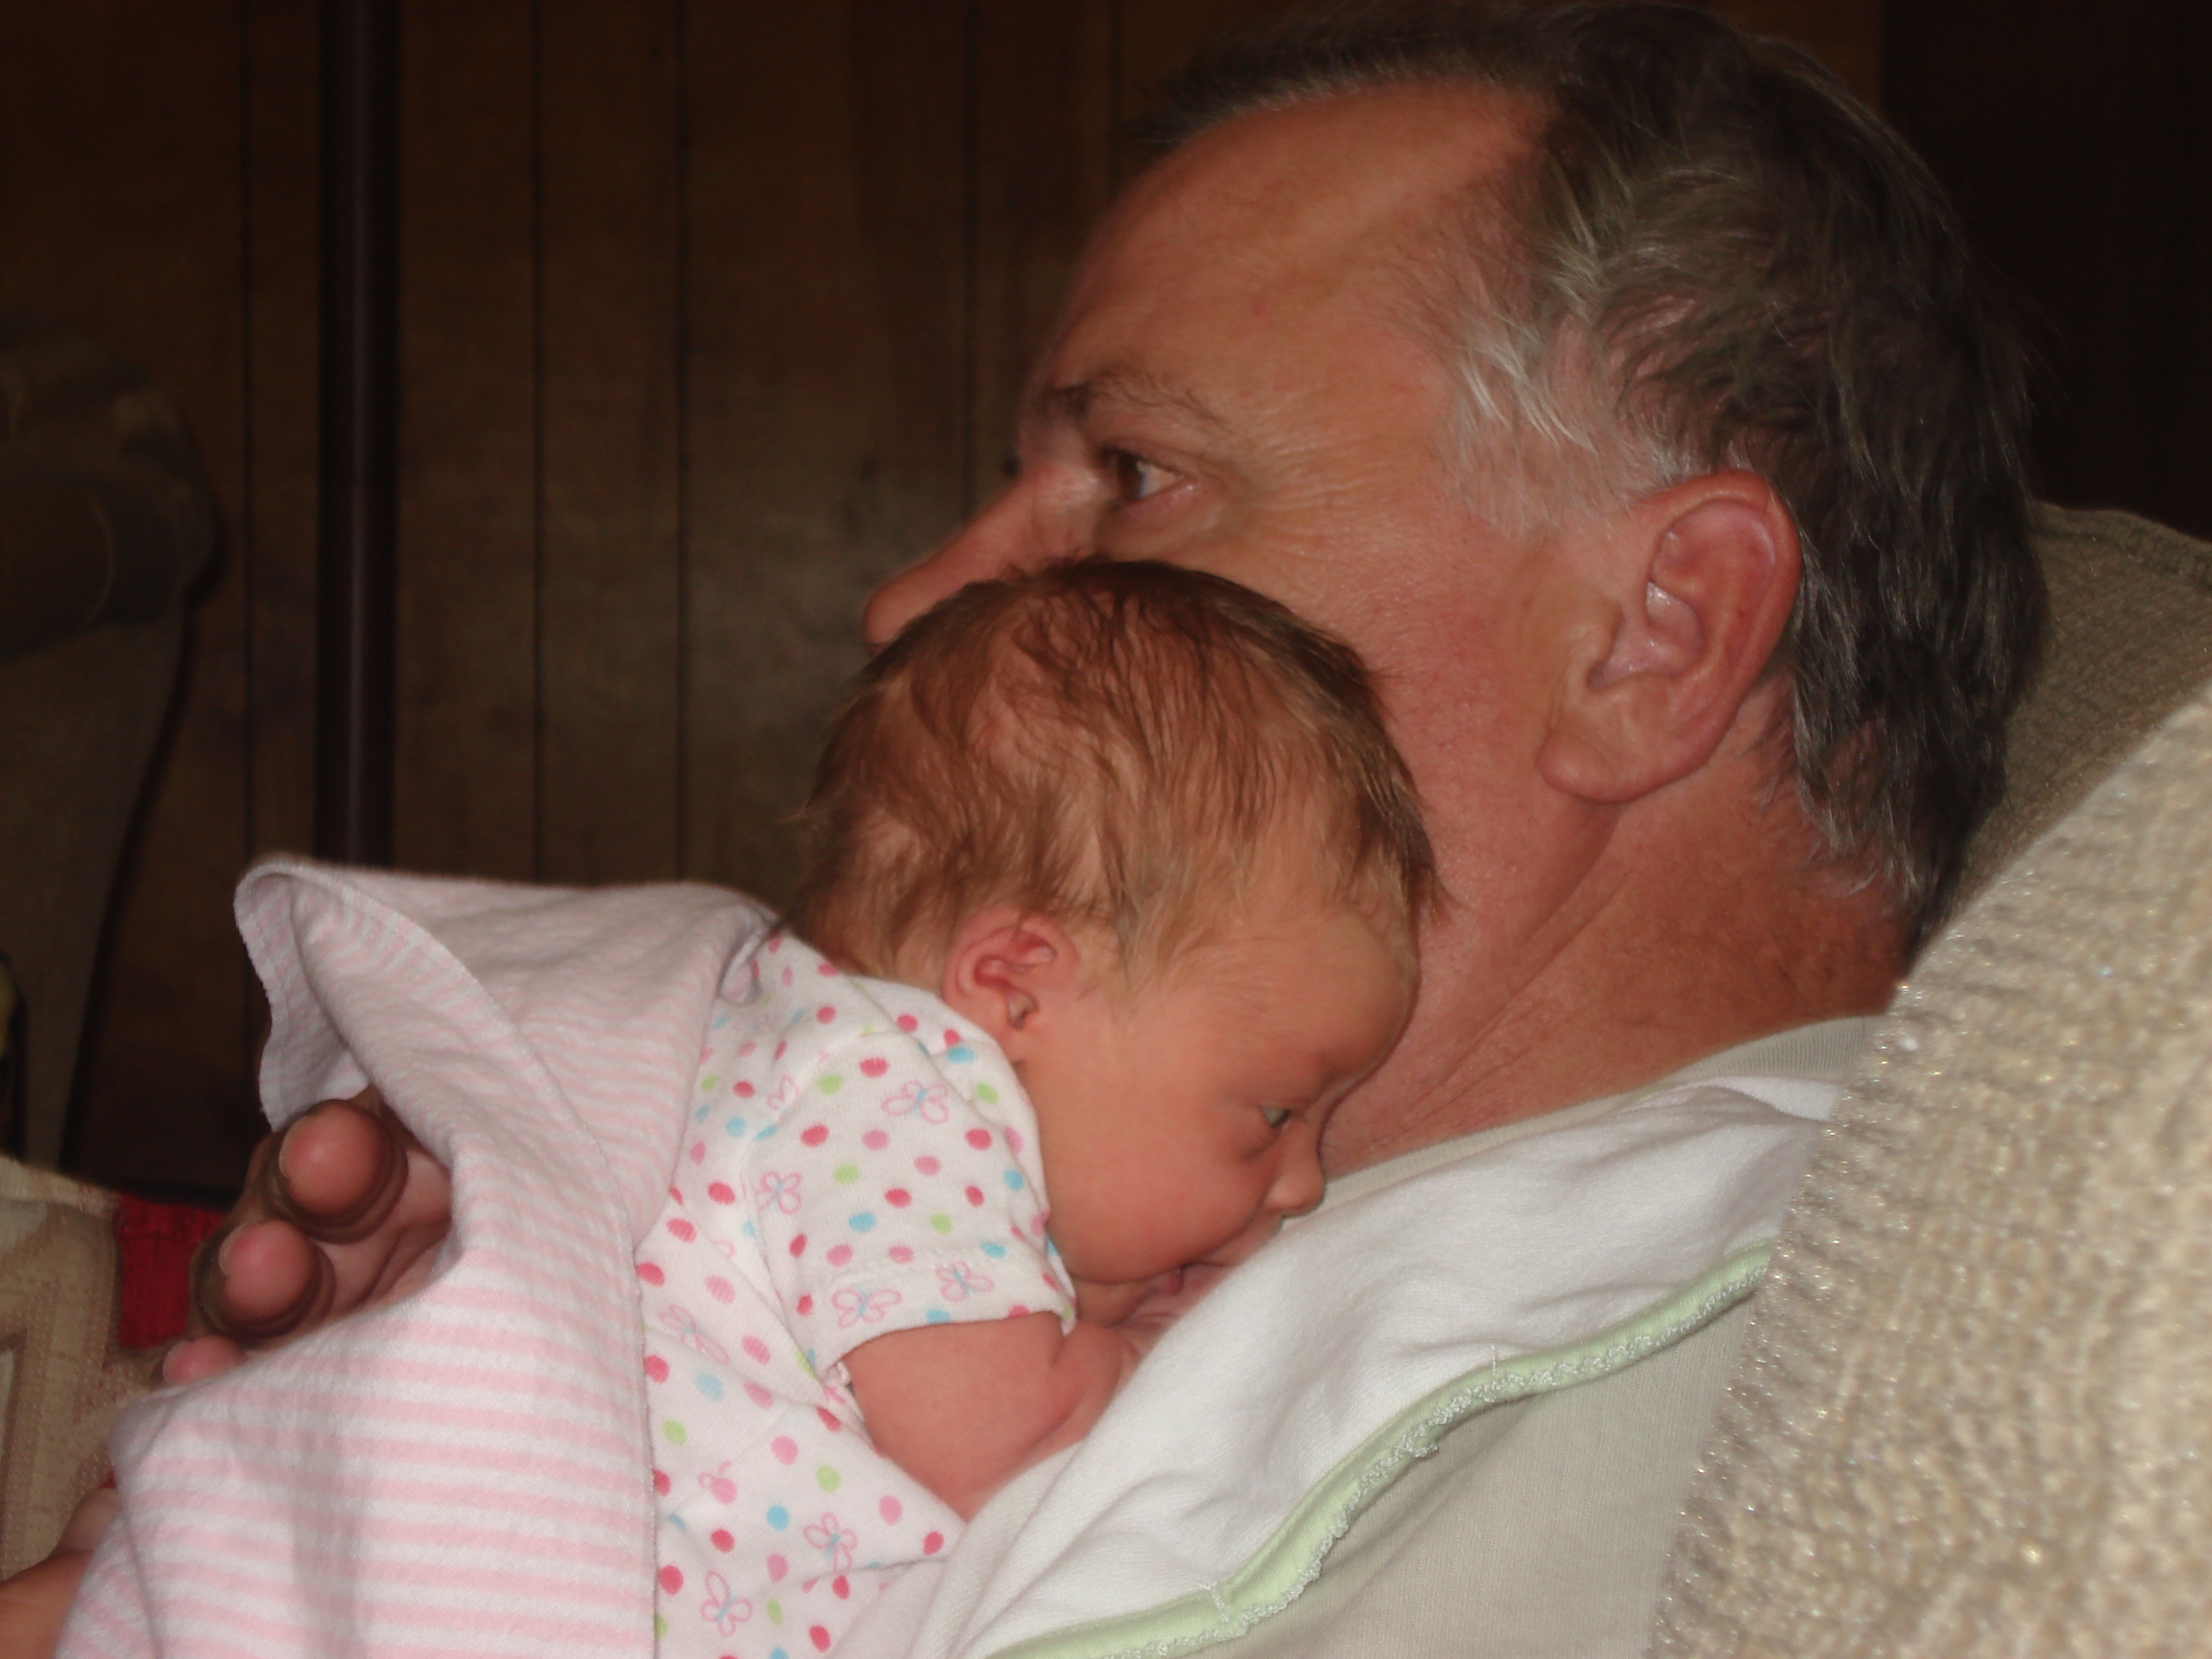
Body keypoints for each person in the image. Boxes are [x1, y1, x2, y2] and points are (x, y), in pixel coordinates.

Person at [13, 4, 2042, 1654]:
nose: (914, 602)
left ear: (1654, 634)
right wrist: (405, 1475)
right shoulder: (1059, 1191)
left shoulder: (1764, 1376)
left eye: (1136, 474)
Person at [643, 557, 1425, 1654]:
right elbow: (1000, 1446)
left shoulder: (796, 1032)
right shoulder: (894, 1093)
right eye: (1276, 1113)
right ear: (1016, 991)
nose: (1304, 1183)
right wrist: (1172, 1339)